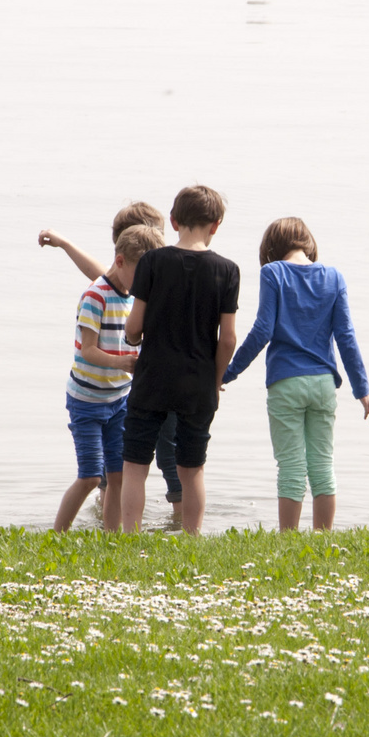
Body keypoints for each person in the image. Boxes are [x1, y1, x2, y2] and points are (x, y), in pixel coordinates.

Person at [223, 217, 369, 531]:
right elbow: (346, 337)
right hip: (324, 383)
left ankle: (289, 540)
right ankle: (322, 539)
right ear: (308, 243)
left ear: (271, 247)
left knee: (292, 468)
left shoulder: (272, 273)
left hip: (286, 382)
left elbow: (261, 331)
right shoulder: (334, 277)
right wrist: (363, 390)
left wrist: (228, 373)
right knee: (322, 466)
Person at [40, 203, 185, 526]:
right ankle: (56, 535)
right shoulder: (95, 296)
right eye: (144, 274)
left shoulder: (132, 293)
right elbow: (87, 351)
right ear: (120, 261)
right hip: (87, 401)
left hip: (118, 400)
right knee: (91, 477)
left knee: (119, 475)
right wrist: (124, 363)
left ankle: (113, 539)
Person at [120, 185, 240, 536]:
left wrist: (132, 339)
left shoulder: (153, 262)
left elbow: (135, 324)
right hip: (198, 381)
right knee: (192, 468)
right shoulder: (228, 271)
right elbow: (228, 339)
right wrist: (215, 380)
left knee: (135, 464)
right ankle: (192, 537)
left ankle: (130, 536)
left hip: (153, 377)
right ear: (216, 225)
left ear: (173, 221)